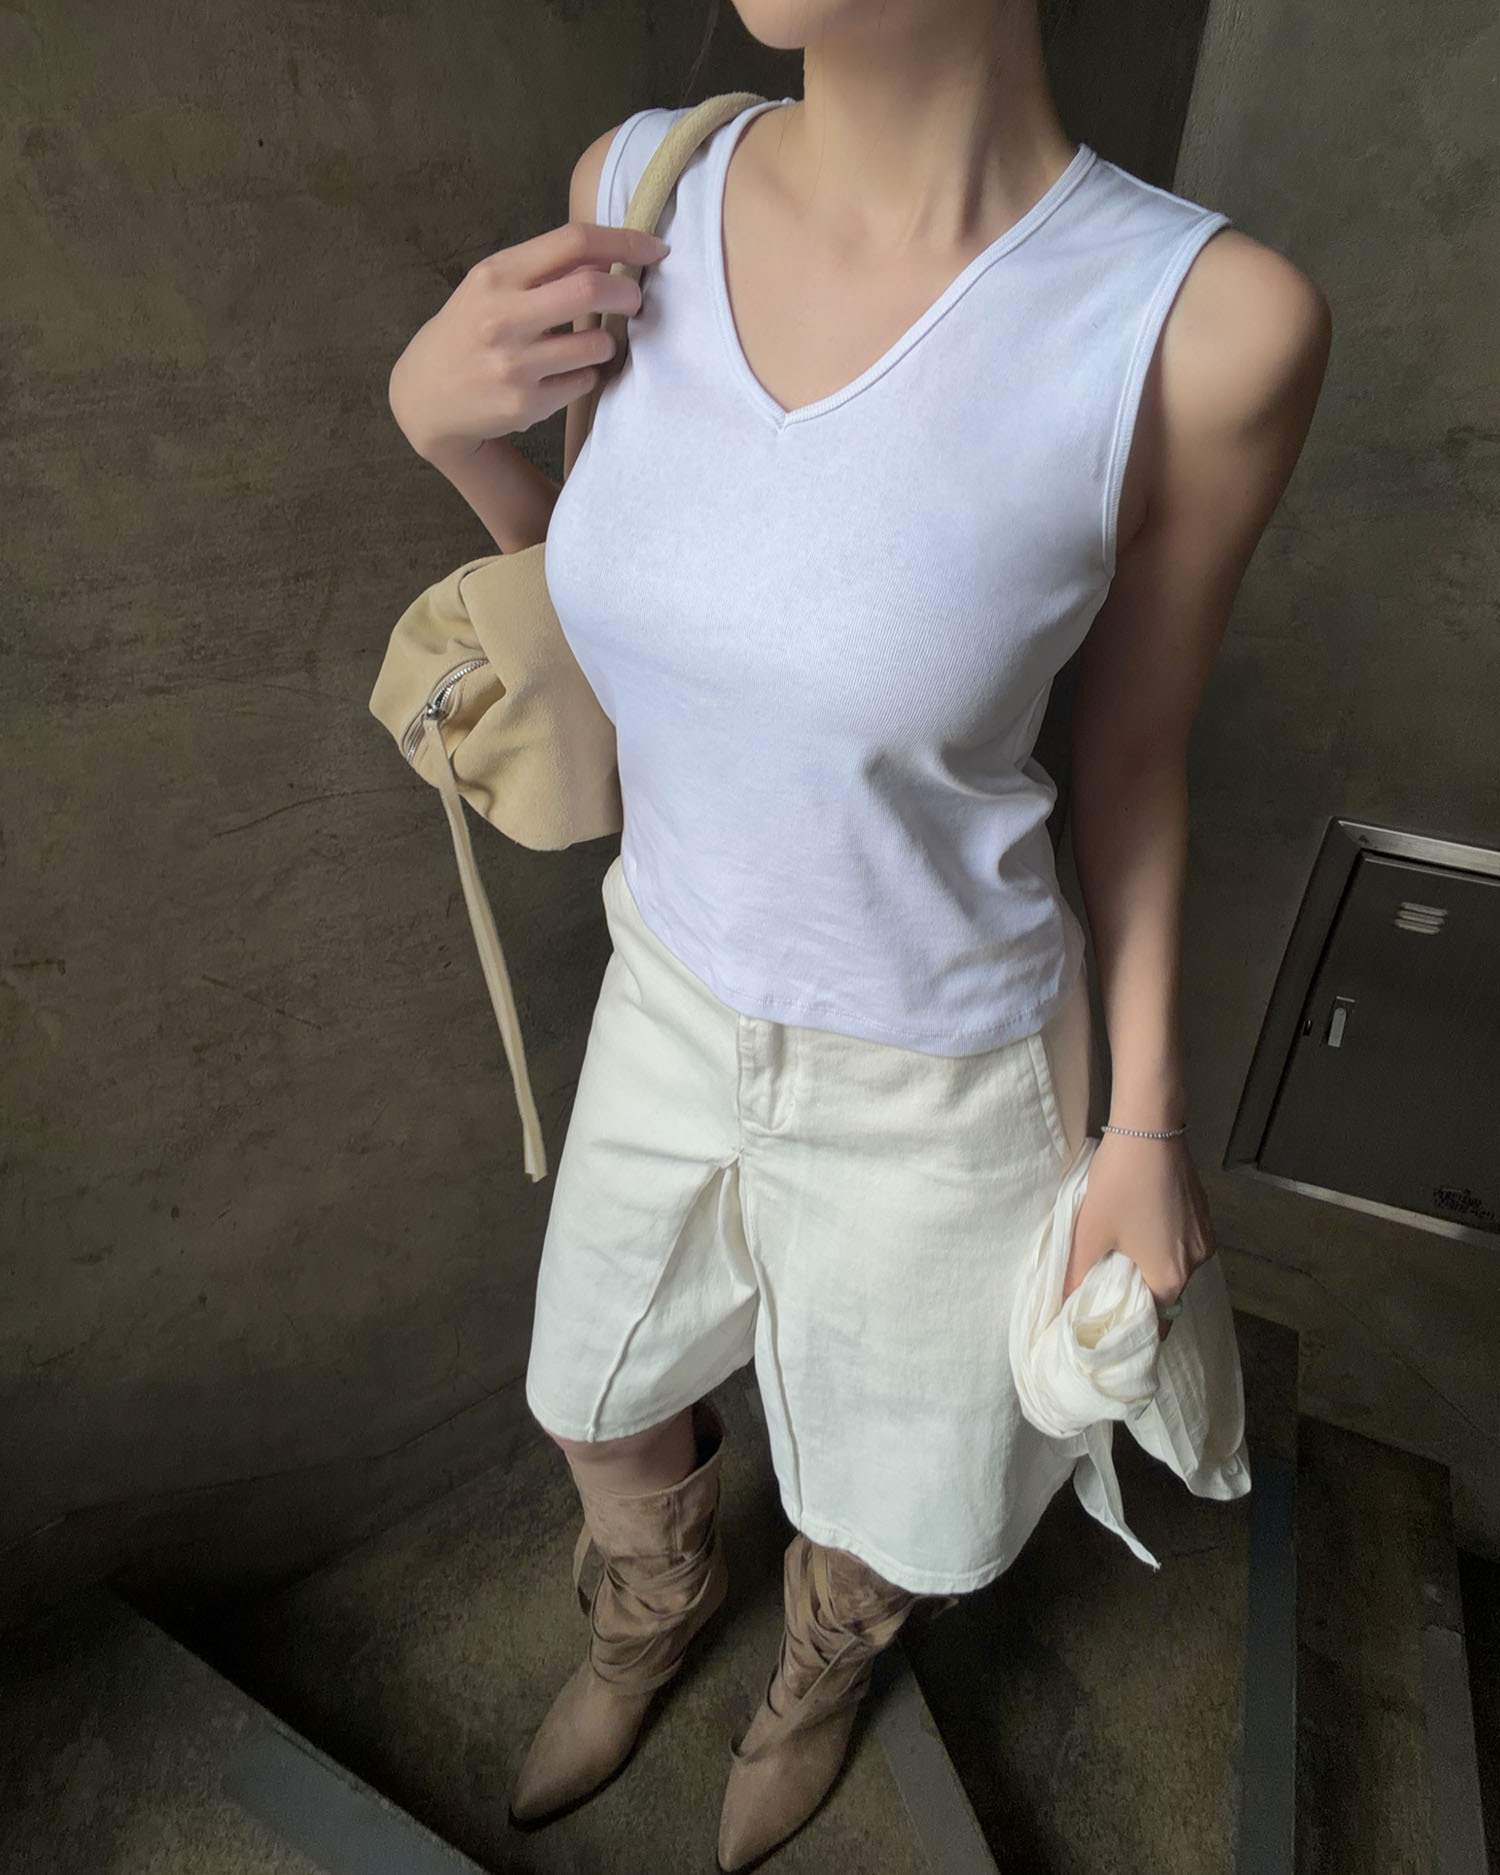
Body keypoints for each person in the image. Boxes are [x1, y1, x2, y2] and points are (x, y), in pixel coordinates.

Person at [386, 1, 1332, 1866]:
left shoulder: (1203, 323)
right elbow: (639, 613)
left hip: (946, 1061)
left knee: (905, 1499)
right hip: (669, 985)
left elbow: (1133, 755)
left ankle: (816, 1677)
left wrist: (1145, 1123)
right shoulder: (642, 183)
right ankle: (648, 1616)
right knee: (592, 1396)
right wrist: (449, 436)